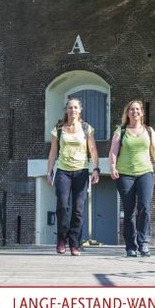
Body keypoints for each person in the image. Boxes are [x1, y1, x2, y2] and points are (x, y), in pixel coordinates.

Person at [109, 99, 155, 257]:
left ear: (142, 112)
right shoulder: (121, 131)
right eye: (132, 109)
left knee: (144, 207)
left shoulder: (149, 131)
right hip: (125, 174)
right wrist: (112, 167)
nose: (135, 112)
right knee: (129, 211)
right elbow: (113, 151)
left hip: (145, 172)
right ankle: (131, 246)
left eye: (137, 109)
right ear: (127, 113)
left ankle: (144, 242)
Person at [46, 97, 100, 256]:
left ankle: (75, 243)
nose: (73, 110)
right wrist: (49, 171)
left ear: (80, 110)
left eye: (76, 107)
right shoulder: (58, 128)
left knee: (78, 209)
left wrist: (96, 169)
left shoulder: (86, 128)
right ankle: (61, 240)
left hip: (81, 171)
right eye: (70, 107)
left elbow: (93, 149)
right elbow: (53, 151)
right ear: (66, 110)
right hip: (63, 171)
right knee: (63, 206)